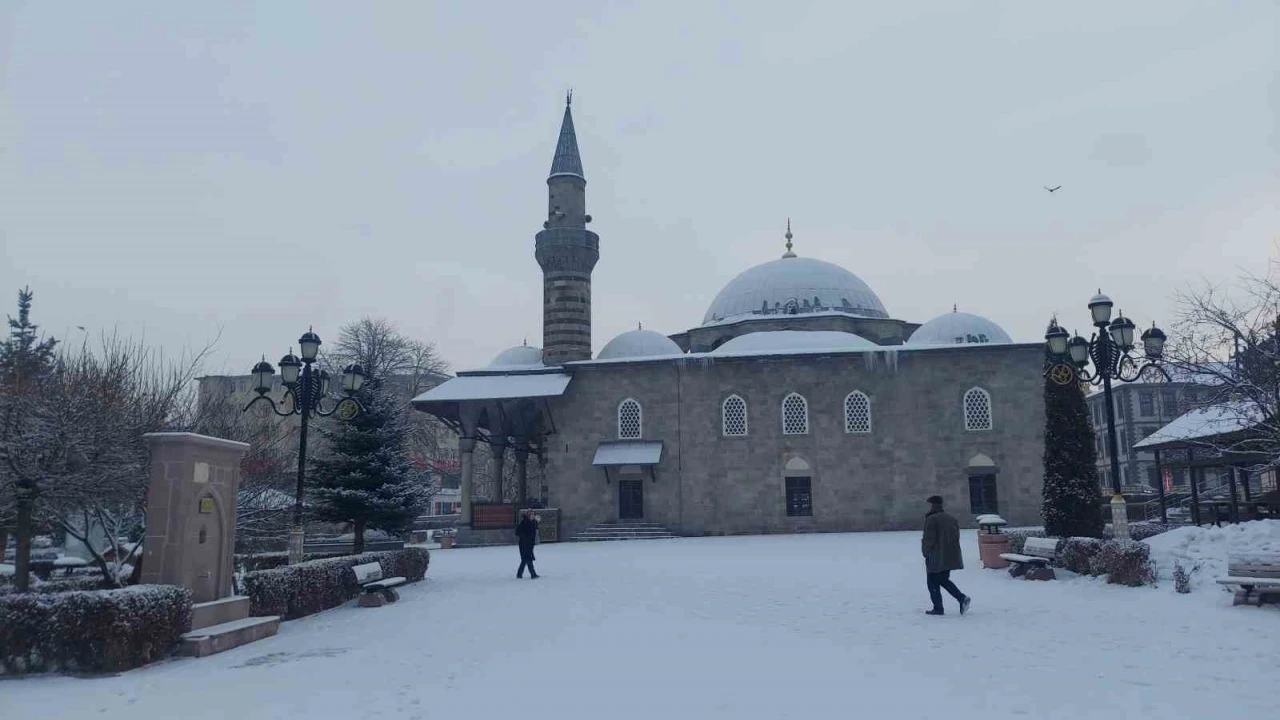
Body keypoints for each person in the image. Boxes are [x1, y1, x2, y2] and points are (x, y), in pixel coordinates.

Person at [922, 495, 970, 616]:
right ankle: (961, 599)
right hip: (949, 556)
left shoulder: (931, 519)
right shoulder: (951, 519)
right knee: (943, 579)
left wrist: (926, 552)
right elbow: (956, 537)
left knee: (932, 582)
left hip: (936, 556)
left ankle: (939, 608)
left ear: (933, 505)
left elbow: (929, 540)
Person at [515, 509, 540, 579]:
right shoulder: (524, 522)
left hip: (530, 543)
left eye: (533, 514)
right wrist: (524, 536)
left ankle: (519, 574)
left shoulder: (533, 522)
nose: (532, 516)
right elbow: (517, 532)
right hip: (524, 543)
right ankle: (533, 574)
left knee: (525, 559)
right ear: (528, 515)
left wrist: (536, 522)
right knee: (528, 558)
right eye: (531, 515)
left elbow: (535, 529)